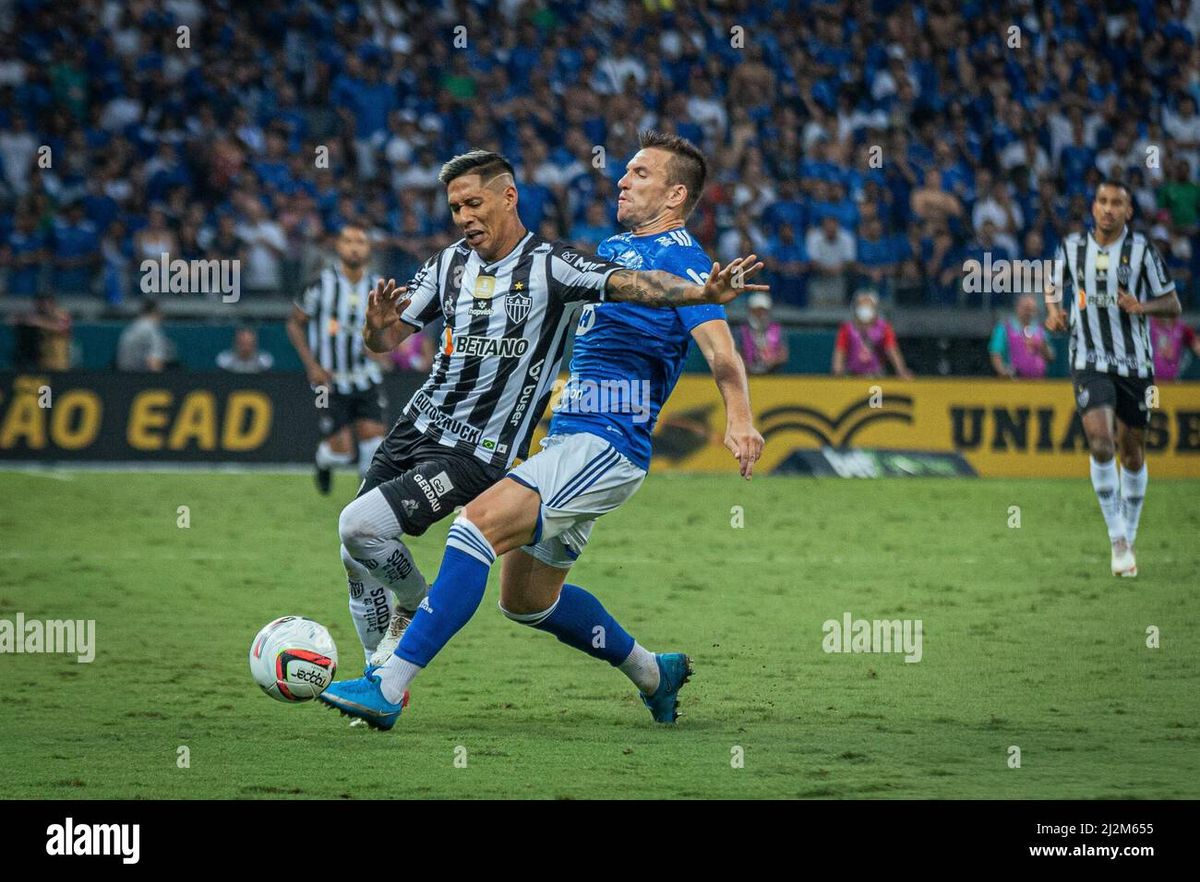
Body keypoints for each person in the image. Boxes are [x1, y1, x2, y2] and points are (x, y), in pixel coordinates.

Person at [318, 135, 766, 730]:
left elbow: (722, 351)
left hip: (606, 443)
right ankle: (654, 673)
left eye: (638, 173)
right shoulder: (613, 248)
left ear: (676, 193)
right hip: (571, 442)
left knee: (473, 525)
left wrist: (739, 418)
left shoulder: (683, 258)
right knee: (526, 601)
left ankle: (388, 685)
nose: (621, 181)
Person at [1044, 179, 1180, 577]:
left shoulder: (1143, 252)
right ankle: (1117, 538)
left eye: (1116, 203)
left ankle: (1130, 535)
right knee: (1101, 443)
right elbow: (1053, 288)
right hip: (1089, 359)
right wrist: (1053, 312)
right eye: (1102, 202)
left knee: (1132, 453)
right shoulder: (1071, 248)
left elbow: (1172, 303)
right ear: (1093, 208)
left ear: (1128, 211)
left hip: (1136, 365)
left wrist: (1142, 306)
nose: (1107, 209)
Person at [286, 222, 387, 495]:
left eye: (361, 242)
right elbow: (294, 324)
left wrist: (381, 349)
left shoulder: (378, 287)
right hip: (328, 381)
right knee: (342, 452)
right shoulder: (320, 284)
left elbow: (389, 331)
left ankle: (363, 502)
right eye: (348, 241)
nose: (354, 247)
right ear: (338, 247)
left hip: (366, 377)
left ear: (368, 249)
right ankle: (323, 460)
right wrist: (312, 366)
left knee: (374, 446)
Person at [831, 289, 913, 379]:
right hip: (852, 375)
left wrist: (901, 370)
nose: (865, 309)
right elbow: (840, 351)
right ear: (855, 308)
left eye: (868, 306)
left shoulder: (884, 328)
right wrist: (837, 371)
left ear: (875, 309)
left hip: (876, 374)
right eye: (861, 306)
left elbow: (892, 350)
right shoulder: (847, 328)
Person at [988, 294, 1054, 378]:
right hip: (1013, 382)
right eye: (1026, 308)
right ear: (1017, 307)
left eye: (1031, 309)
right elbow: (995, 353)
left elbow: (1050, 357)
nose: (1028, 313)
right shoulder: (1004, 328)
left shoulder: (1040, 330)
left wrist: (1041, 346)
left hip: (1038, 382)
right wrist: (1003, 371)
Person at [12, 293, 71, 370]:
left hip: (59, 362)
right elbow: (16, 321)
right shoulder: (37, 316)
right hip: (42, 362)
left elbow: (61, 328)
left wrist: (38, 322)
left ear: (53, 303)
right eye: (39, 304)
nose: (42, 307)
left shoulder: (61, 315)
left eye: (45, 303)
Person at [739, 292, 788, 374]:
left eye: (763, 310)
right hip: (747, 374)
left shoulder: (777, 329)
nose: (760, 314)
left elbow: (783, 354)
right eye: (757, 310)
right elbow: (736, 353)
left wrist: (772, 361)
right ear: (751, 310)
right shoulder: (741, 330)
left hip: (773, 374)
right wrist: (748, 365)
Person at [116, 299, 171, 371]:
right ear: (156, 312)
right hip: (142, 378)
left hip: (122, 376)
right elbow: (154, 363)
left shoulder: (132, 328)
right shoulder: (152, 330)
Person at [1149, 315, 1200, 382]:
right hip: (1151, 378)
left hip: (1173, 379)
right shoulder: (1149, 325)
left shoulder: (1182, 328)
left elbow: (1196, 345)